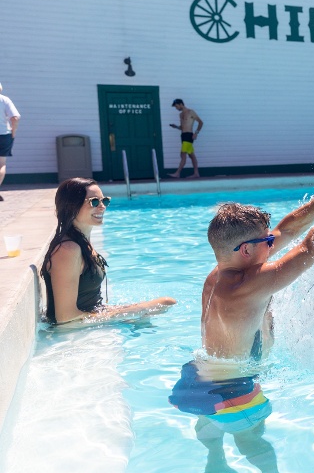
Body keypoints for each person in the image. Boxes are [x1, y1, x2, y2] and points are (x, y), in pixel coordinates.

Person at [201, 150, 314, 361]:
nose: (272, 243)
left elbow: (286, 230)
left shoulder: (218, 275)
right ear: (246, 250)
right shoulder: (246, 284)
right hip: (234, 387)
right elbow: (311, 248)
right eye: (267, 241)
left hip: (208, 371)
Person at [41, 178, 177, 324]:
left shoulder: (81, 241)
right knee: (165, 302)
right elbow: (65, 317)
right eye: (94, 202)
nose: (102, 207)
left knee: (162, 306)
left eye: (104, 201)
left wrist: (121, 311)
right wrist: (123, 313)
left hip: (91, 316)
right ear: (72, 206)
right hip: (74, 329)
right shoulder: (68, 250)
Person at [169, 357, 301, 473]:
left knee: (210, 433)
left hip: (222, 411)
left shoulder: (198, 365)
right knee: (248, 438)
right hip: (247, 406)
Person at [169, 98, 203, 178]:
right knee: (191, 155)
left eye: (176, 106)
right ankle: (196, 173)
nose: (176, 108)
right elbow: (182, 127)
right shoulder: (180, 115)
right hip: (183, 135)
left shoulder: (191, 112)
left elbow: (201, 122)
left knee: (183, 154)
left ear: (181, 104)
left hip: (189, 135)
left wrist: (196, 133)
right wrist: (176, 127)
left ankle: (177, 173)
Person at [0, 83, 20, 202]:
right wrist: (13, 132)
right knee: (1, 164)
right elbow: (15, 118)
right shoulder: (4, 100)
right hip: (3, 135)